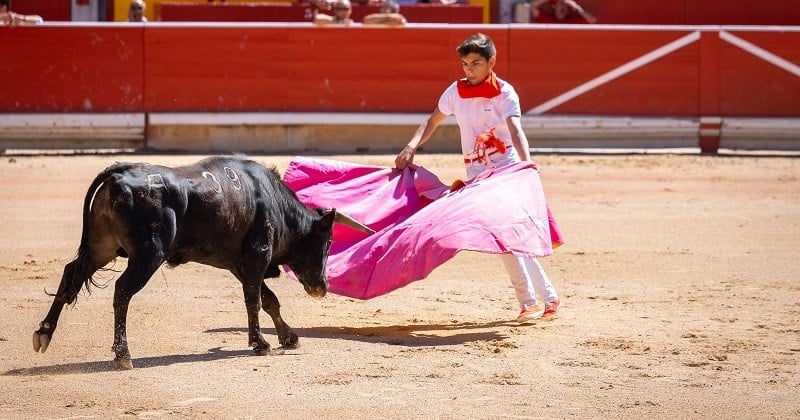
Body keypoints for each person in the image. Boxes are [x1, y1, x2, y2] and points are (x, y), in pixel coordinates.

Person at [394, 33, 561, 322]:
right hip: (476, 175)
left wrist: (527, 163)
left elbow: (516, 130)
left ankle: (540, 299)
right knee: (503, 237)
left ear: (491, 62)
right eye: (464, 64)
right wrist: (411, 146)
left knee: (510, 235)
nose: (469, 70)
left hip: (505, 170)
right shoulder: (456, 91)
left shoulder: (505, 92)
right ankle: (536, 300)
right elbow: (432, 120)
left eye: (475, 63)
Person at [531, 0, 596, 24]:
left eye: (566, 5)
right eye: (561, 3)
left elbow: (593, 20)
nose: (563, 6)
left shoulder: (572, 22)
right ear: (554, 6)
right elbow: (532, 7)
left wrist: (576, 7)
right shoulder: (546, 19)